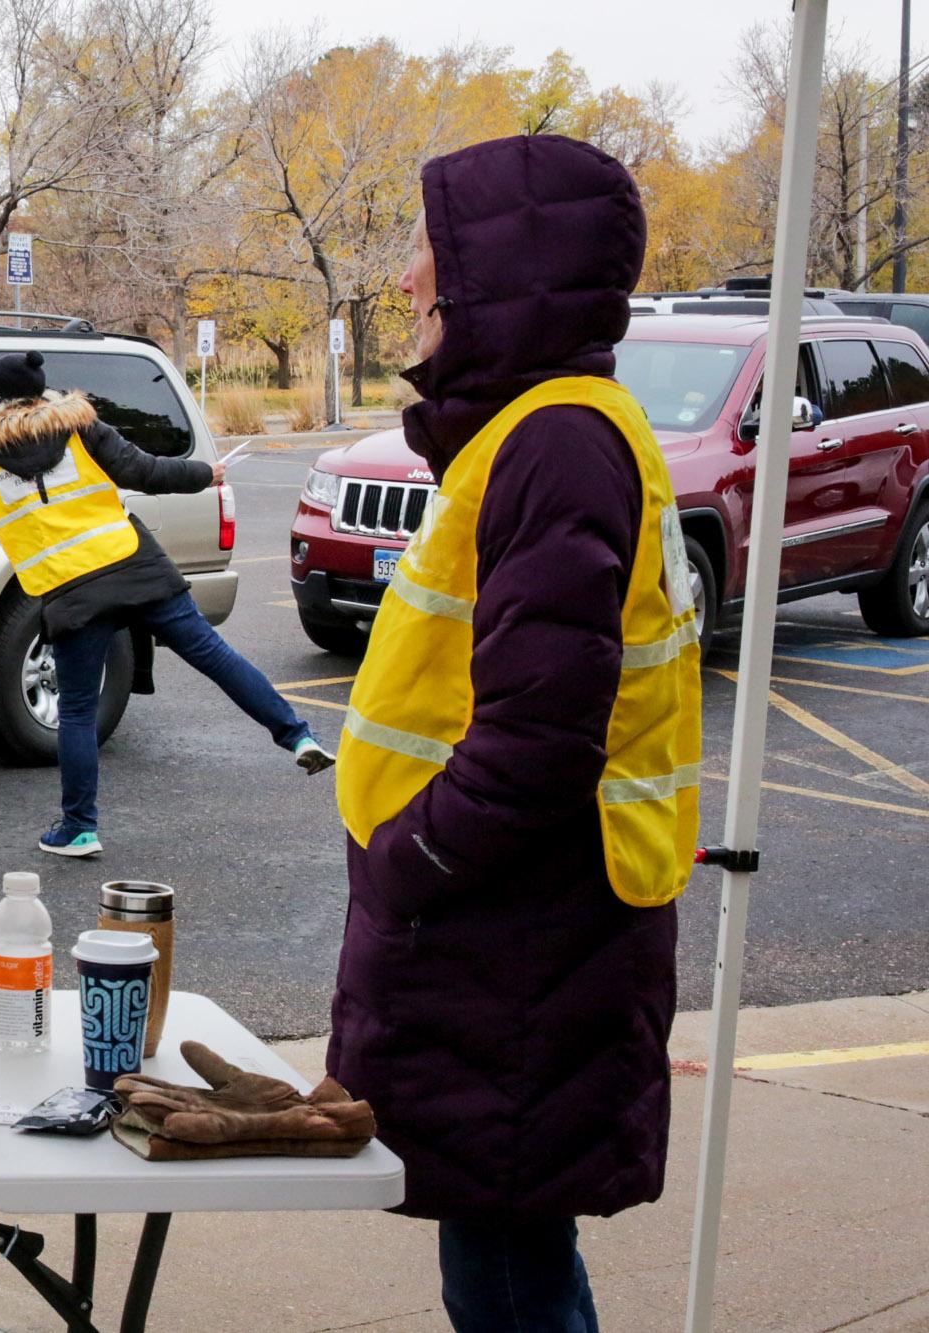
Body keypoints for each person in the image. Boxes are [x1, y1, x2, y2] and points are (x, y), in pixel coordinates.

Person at [326, 134, 703, 1333]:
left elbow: (541, 731)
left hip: (515, 940)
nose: (407, 285)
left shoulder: (554, 439)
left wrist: (410, 859)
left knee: (502, 1276)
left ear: (501, 269)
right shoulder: (540, 430)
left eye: (429, 253)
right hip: (515, 939)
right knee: (508, 1256)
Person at [0, 350, 331, 857]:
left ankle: (79, 828)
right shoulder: (83, 431)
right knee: (215, 656)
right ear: (40, 394)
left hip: (73, 592)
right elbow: (147, 471)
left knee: (76, 710)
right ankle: (297, 736)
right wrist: (205, 475)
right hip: (134, 566)